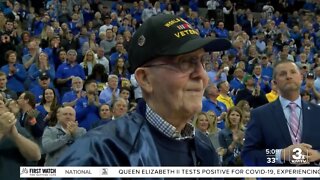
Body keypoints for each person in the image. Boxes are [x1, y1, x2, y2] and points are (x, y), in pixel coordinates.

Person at [56, 14, 231, 167]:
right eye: (185, 62)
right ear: (145, 79)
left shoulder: (204, 146)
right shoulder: (99, 153)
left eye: (202, 62)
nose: (202, 76)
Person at [242, 60, 320, 168]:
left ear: (301, 77)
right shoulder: (259, 115)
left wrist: (318, 155)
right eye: (283, 74)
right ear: (274, 82)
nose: (288, 76)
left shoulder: (317, 112)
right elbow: (248, 156)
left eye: (293, 72)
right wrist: (281, 154)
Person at [0, 100, 41, 179]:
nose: (0, 103)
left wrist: (16, 136)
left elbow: (36, 155)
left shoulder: (16, 127)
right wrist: (2, 131)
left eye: (1, 101)